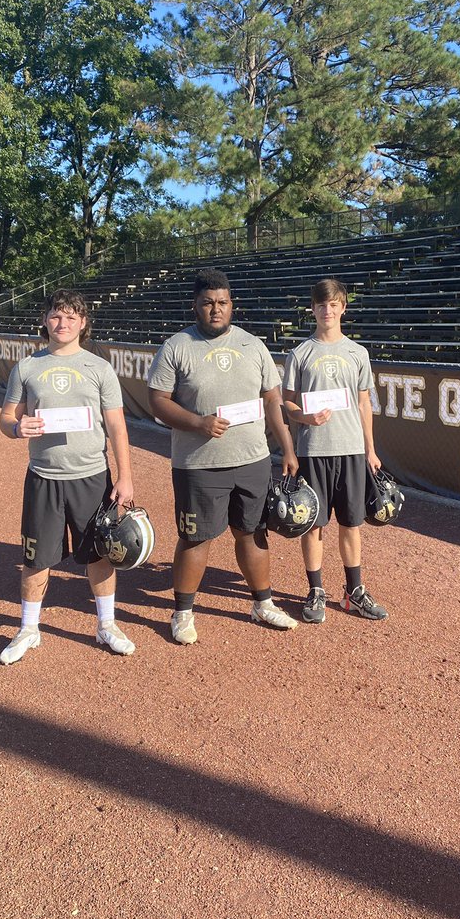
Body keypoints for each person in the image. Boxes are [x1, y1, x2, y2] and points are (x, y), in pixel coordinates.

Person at [147, 268, 299, 644]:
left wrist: (287, 447)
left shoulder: (253, 344)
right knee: (196, 538)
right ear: (195, 306)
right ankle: (182, 613)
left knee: (253, 532)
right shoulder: (176, 346)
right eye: (208, 303)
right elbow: (157, 402)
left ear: (232, 305)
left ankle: (262, 603)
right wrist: (199, 423)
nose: (216, 310)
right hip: (198, 463)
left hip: (252, 459)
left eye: (222, 303)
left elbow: (272, 399)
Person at [0, 288, 136, 664]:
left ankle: (106, 625)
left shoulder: (99, 367)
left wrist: (125, 477)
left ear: (83, 323)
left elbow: (117, 428)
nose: (63, 323)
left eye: (71, 317)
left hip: (92, 476)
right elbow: (6, 418)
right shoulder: (26, 367)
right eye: (57, 316)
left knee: (99, 556)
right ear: (45, 320)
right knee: (35, 559)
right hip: (43, 476)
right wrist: (16, 428)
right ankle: (28, 629)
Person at [281, 277, 388, 624]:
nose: (327, 310)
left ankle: (353, 592)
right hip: (313, 450)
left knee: (351, 523)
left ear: (343, 307)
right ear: (312, 309)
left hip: (351, 451)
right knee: (313, 525)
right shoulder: (299, 353)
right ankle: (315, 590)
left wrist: (370, 449)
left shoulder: (357, 353)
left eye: (333, 304)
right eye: (321, 305)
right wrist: (305, 417)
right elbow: (287, 404)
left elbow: (363, 403)